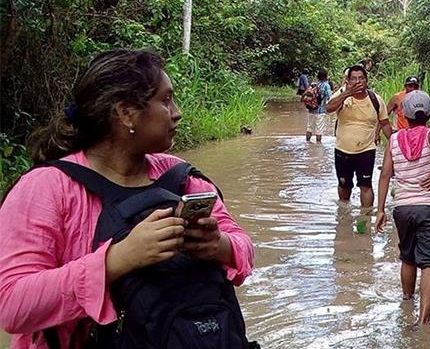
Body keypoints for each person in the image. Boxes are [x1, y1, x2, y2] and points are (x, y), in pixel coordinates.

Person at [0, 50, 255, 348]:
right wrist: (117, 260)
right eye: (166, 100)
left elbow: (245, 248)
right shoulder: (46, 188)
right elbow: (12, 305)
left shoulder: (182, 177)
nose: (177, 112)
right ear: (125, 113)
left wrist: (219, 245)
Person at [376, 90, 430, 325]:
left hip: (403, 208)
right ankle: (423, 321)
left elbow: (385, 175)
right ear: (429, 113)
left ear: (404, 115)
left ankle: (407, 302)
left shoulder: (395, 140)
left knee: (407, 257)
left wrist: (380, 210)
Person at [326, 65, 391, 207]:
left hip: (366, 150)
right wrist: (346, 94)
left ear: (366, 80)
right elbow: (328, 108)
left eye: (361, 78)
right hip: (342, 150)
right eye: (353, 79)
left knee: (365, 186)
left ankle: (366, 218)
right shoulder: (341, 95)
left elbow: (384, 123)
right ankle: (344, 214)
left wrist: (395, 144)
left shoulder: (376, 100)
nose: (358, 82)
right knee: (344, 185)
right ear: (348, 81)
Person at [306, 69, 332, 143]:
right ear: (326, 76)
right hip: (321, 111)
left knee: (309, 128)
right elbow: (330, 97)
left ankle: (307, 143)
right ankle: (318, 145)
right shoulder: (326, 85)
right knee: (319, 130)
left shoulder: (314, 85)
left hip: (311, 109)